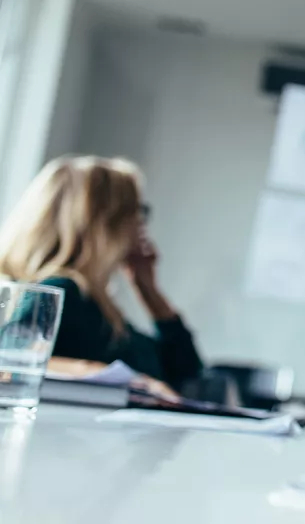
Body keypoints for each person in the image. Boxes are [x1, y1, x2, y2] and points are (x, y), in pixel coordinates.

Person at [0, 157, 203, 394]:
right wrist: (131, 382)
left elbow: (186, 372)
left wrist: (147, 287)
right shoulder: (62, 290)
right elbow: (12, 362)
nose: (141, 224)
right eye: (136, 210)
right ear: (105, 221)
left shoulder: (96, 304)